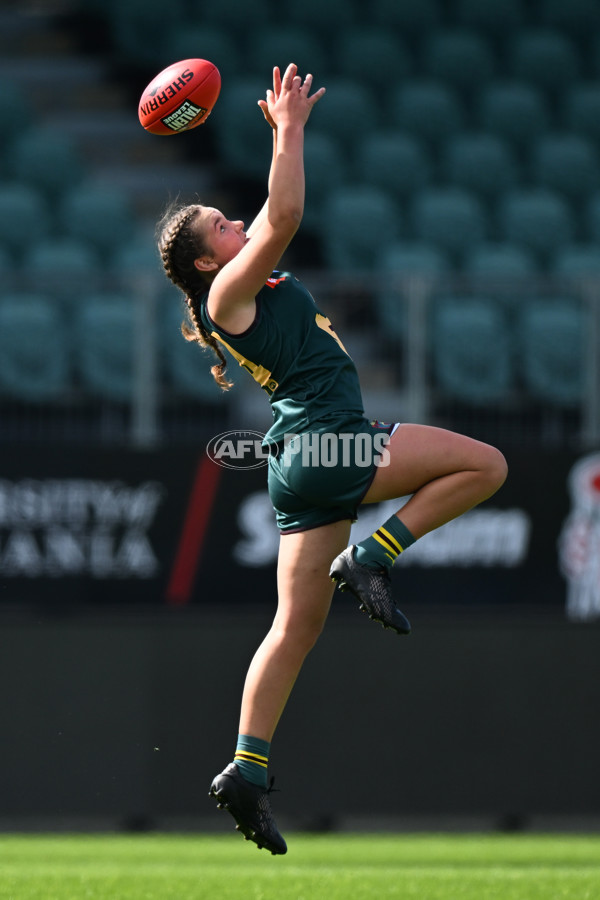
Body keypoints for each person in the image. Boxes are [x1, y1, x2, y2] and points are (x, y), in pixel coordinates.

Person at [157, 64, 507, 855]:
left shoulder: (233, 285)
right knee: (485, 466)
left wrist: (276, 137)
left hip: (299, 459)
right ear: (208, 263)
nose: (233, 224)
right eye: (219, 225)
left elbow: (265, 219)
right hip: (330, 439)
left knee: (295, 625)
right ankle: (374, 556)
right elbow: (283, 211)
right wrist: (288, 130)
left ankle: (246, 771)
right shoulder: (226, 295)